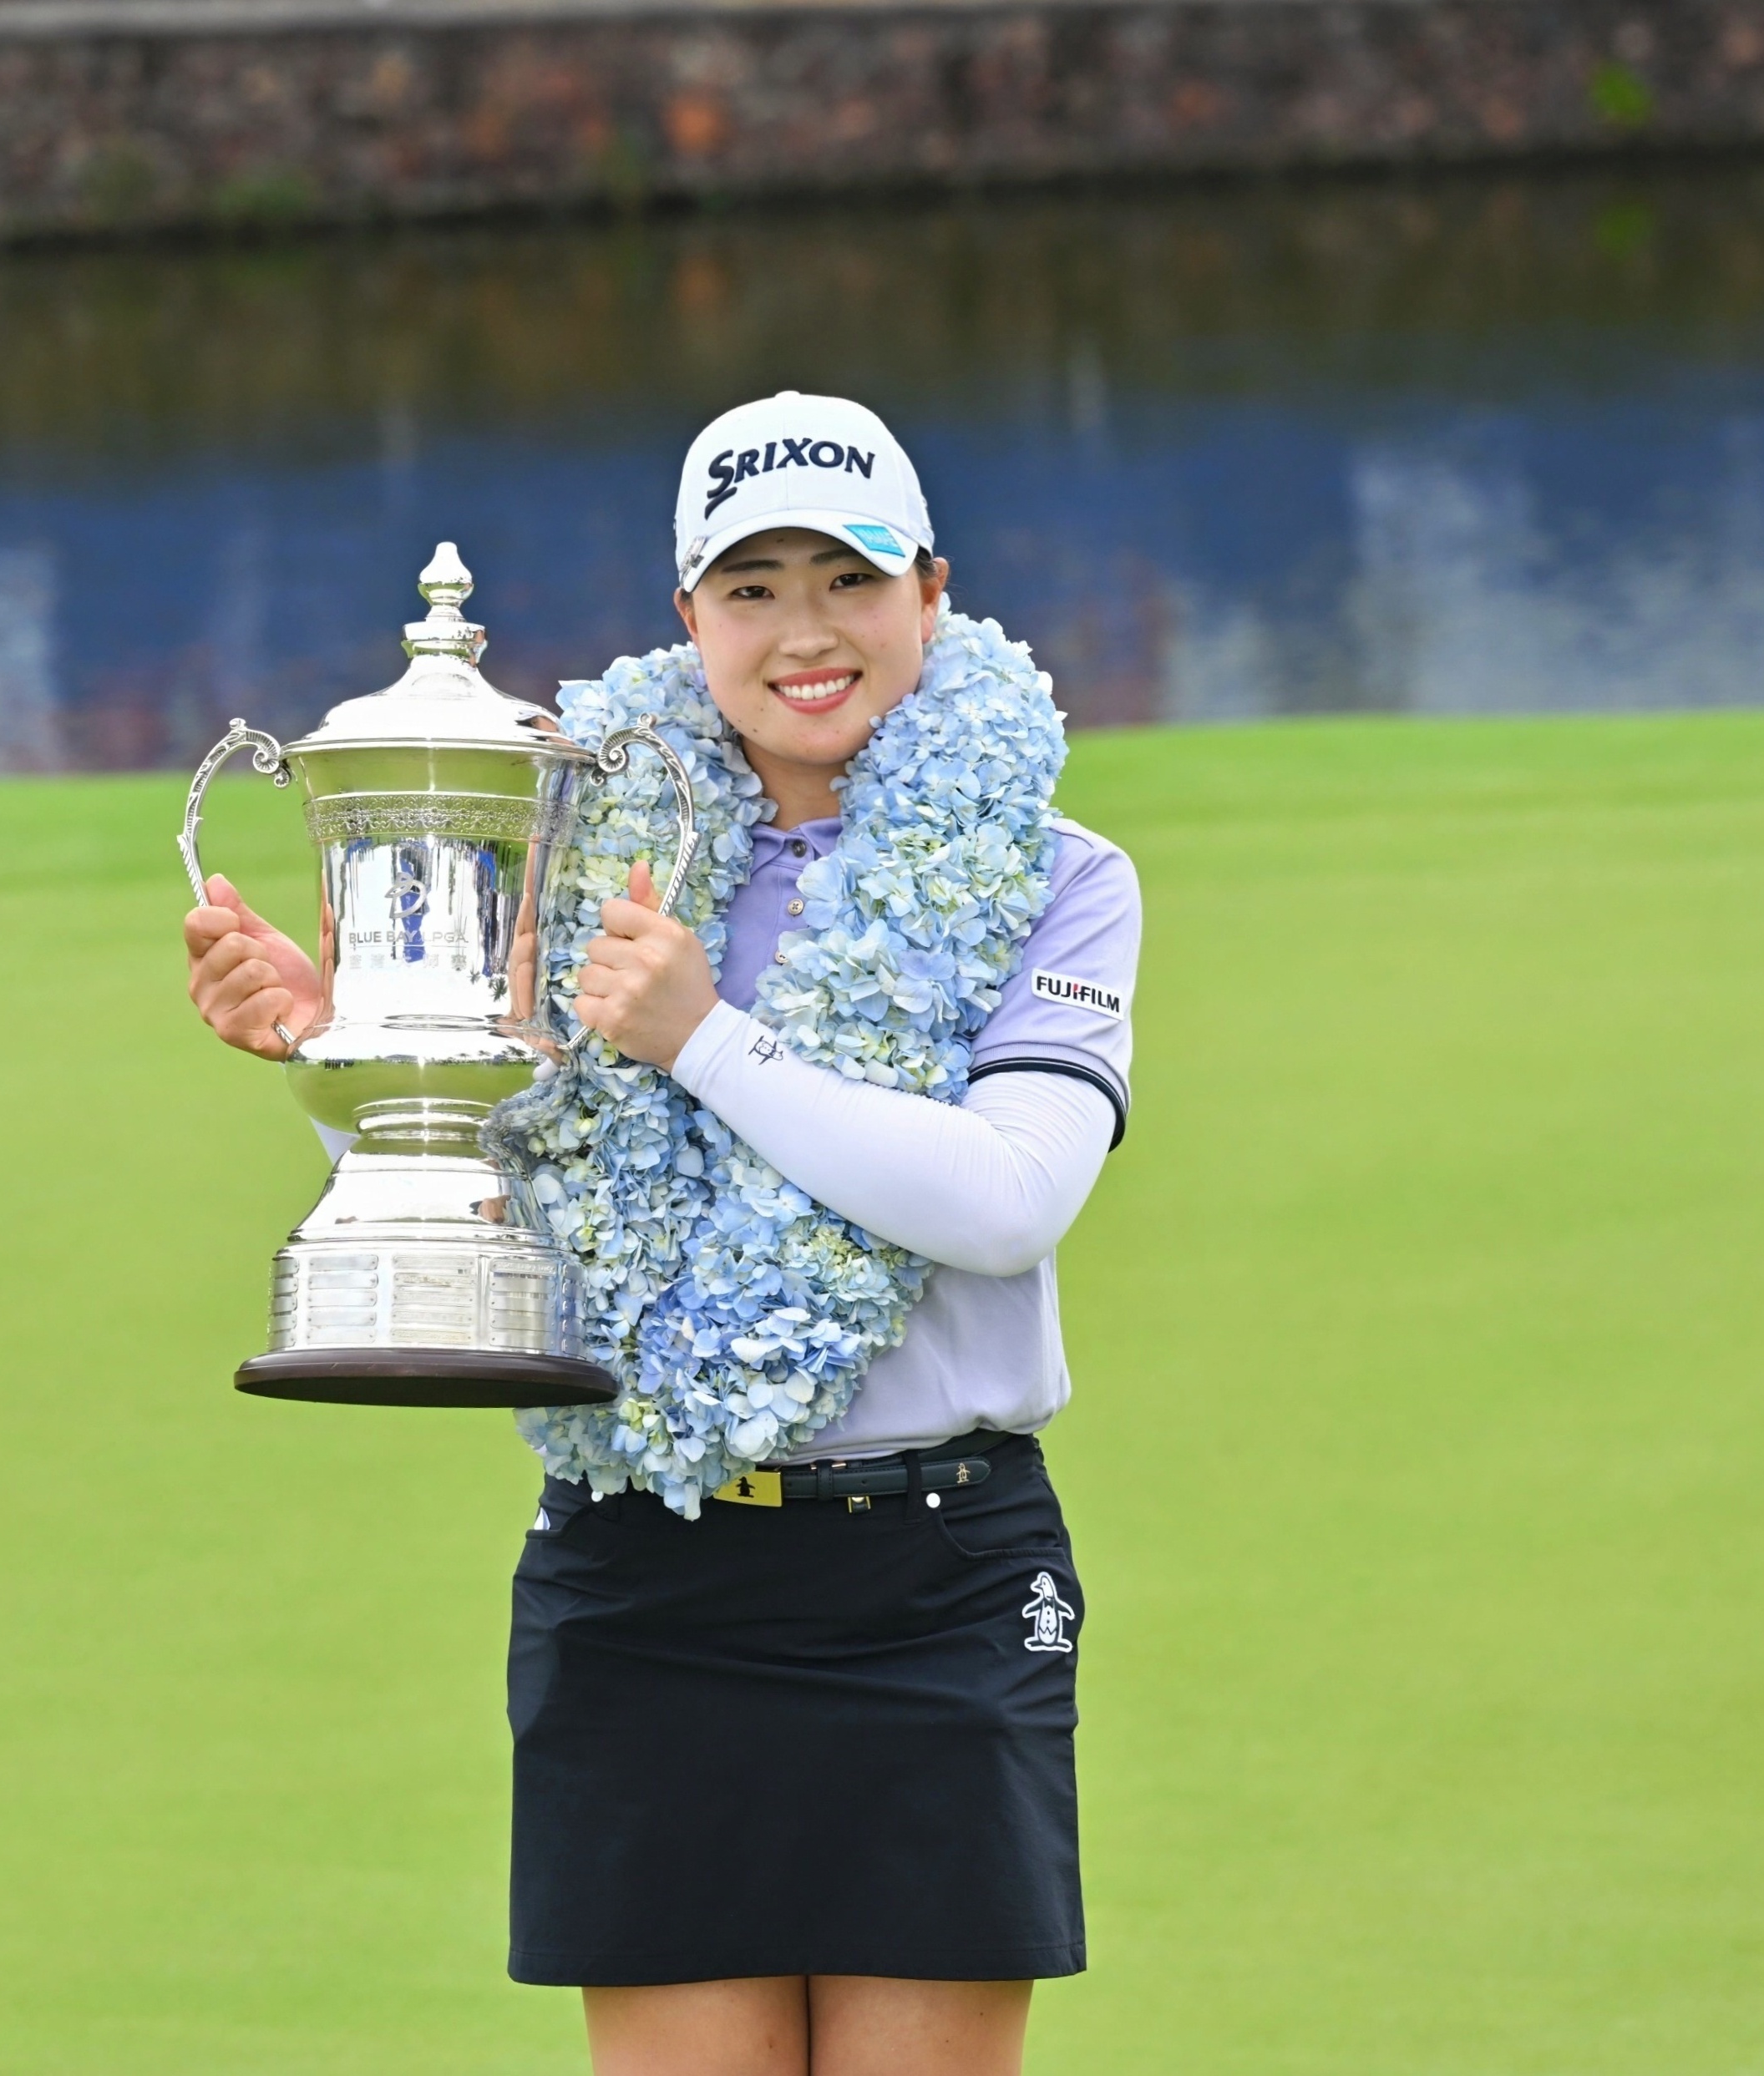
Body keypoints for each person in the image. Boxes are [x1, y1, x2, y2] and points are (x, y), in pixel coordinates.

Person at [182, 393, 1141, 2076]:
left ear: (930, 592)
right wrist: (350, 1048)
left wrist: (703, 1036)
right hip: (645, 1581)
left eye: (846, 580)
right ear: (687, 615)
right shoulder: (570, 860)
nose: (804, 633)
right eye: (751, 588)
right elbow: (523, 1177)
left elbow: (1006, 1204)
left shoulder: (1057, 875)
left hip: (937, 1582)